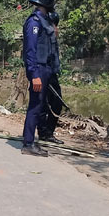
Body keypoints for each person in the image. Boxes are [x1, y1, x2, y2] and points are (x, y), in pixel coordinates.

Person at [21, 0, 64, 156]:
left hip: (46, 68)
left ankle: (34, 140)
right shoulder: (34, 22)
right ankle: (28, 143)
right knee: (35, 106)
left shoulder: (46, 20)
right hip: (38, 69)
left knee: (41, 106)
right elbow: (30, 51)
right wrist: (34, 75)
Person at [39, 11, 64, 144]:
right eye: (53, 25)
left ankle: (49, 132)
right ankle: (43, 133)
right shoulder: (43, 37)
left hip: (52, 73)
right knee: (41, 104)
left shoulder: (53, 39)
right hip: (44, 72)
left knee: (57, 103)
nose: (56, 29)